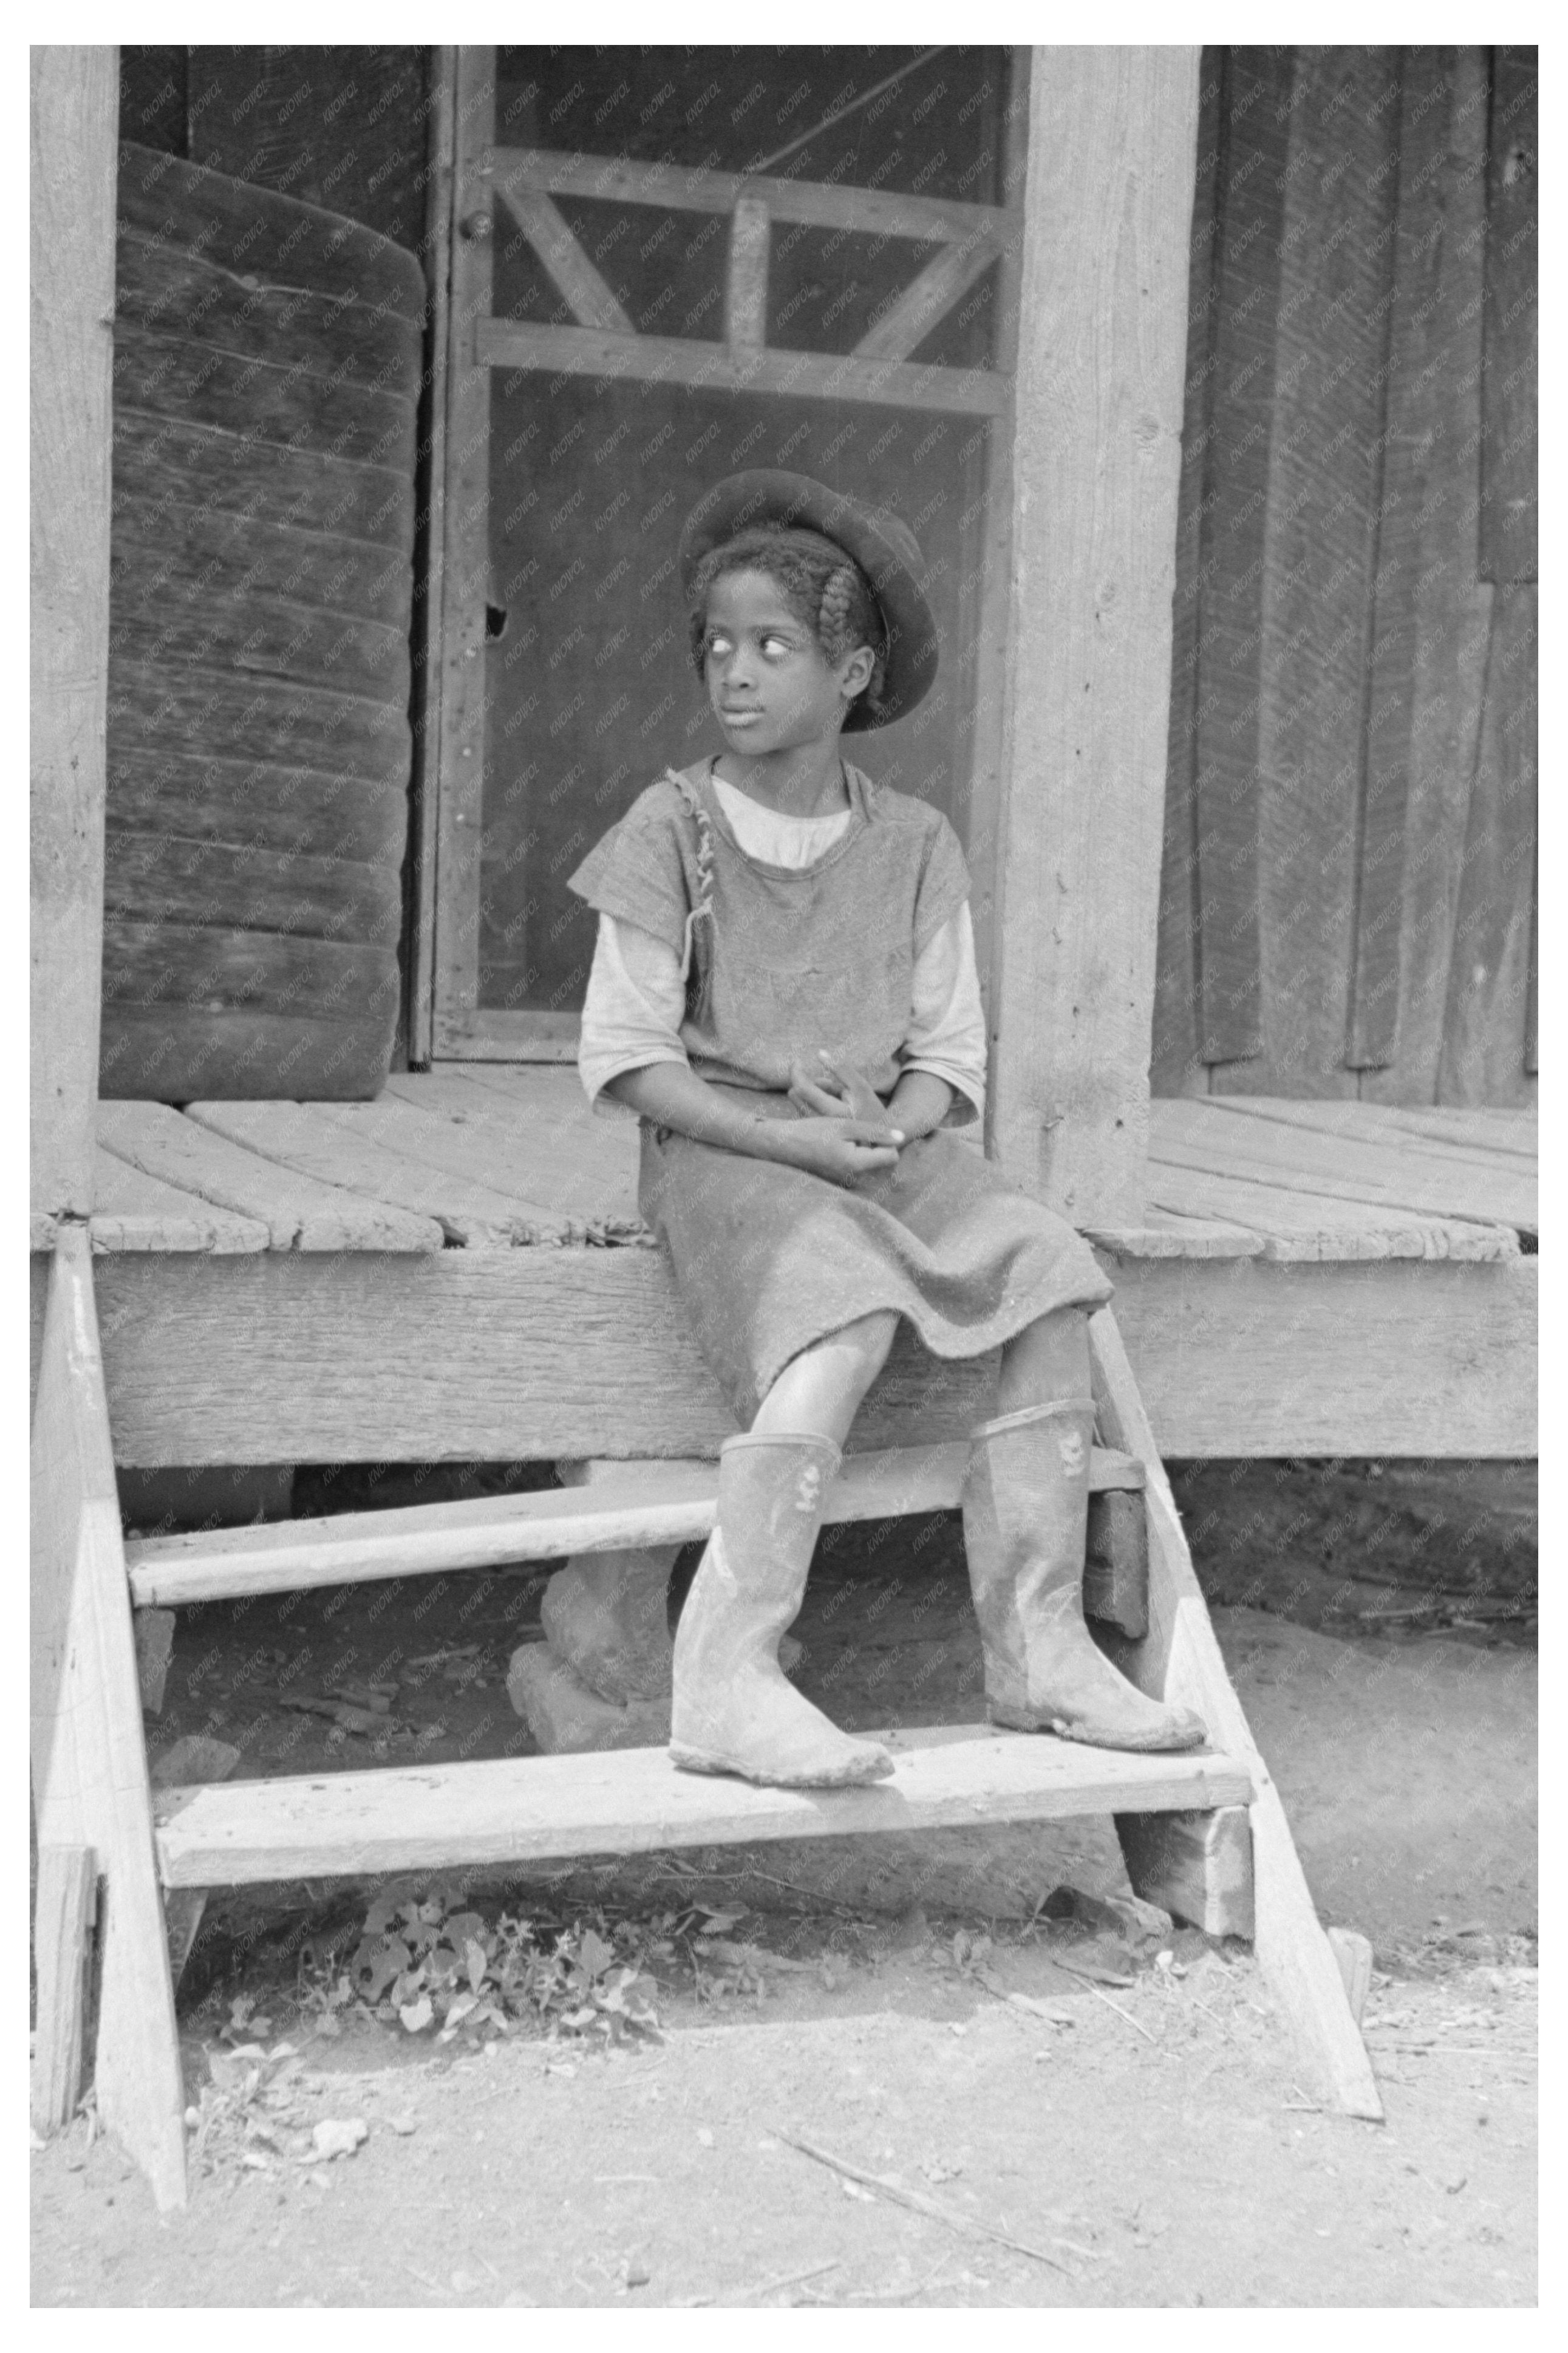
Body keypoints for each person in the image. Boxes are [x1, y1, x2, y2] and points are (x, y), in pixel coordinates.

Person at [569, 469, 1205, 1788]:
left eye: (772, 646)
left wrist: (891, 1120)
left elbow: (947, 1059)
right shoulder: (671, 829)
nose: (734, 671)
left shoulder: (913, 842)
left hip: (872, 1141)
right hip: (726, 1153)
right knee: (844, 1300)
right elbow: (625, 1058)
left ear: (851, 672)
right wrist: (788, 1144)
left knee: (1044, 1266)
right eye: (717, 644)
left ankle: (1038, 1648)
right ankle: (727, 1672)